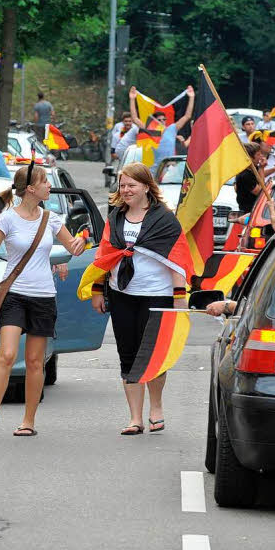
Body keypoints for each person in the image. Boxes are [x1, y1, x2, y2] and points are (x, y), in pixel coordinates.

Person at [0, 164, 85, 438]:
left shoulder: (51, 219)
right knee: (6, 355)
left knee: (35, 362)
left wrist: (82, 242)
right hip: (14, 295)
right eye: (45, 183)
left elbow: (72, 247)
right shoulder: (7, 219)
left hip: (43, 297)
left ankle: (28, 421)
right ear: (30, 188)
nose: (49, 186)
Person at [87, 162, 190, 435]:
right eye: (122, 185)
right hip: (122, 295)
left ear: (146, 186)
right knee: (128, 355)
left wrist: (179, 298)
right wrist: (98, 290)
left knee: (154, 356)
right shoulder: (116, 217)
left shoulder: (165, 219)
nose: (126, 190)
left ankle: (156, 408)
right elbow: (104, 255)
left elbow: (177, 260)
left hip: (157, 296)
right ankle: (135, 418)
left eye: (132, 185)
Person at [128, 86, 194, 172]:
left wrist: (191, 97)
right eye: (159, 120)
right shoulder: (151, 130)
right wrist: (132, 99)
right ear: (154, 121)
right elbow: (135, 118)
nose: (162, 121)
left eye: (164, 120)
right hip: (157, 169)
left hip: (171, 168)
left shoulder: (172, 128)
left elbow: (187, 116)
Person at [235, 143, 267, 215]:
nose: (261, 157)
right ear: (250, 157)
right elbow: (260, 192)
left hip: (255, 210)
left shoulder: (253, 168)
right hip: (248, 212)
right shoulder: (245, 174)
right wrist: (262, 168)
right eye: (258, 155)